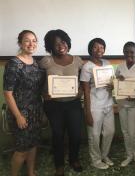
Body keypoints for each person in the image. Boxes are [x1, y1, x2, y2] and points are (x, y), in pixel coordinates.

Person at [39, 29, 84, 176]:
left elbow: (84, 82)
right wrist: (44, 94)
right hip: (54, 105)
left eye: (63, 42)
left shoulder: (78, 61)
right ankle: (59, 165)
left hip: (73, 104)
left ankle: (73, 159)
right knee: (57, 135)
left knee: (76, 134)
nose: (60, 45)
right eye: (55, 43)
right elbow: (38, 84)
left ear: (68, 43)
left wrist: (81, 92)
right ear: (50, 46)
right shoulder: (46, 62)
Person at [3, 30, 44, 176]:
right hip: (20, 113)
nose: (31, 44)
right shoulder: (14, 63)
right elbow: (7, 94)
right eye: (27, 40)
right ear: (20, 43)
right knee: (21, 150)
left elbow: (39, 90)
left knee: (33, 145)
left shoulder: (36, 64)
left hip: (36, 111)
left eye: (34, 40)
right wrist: (18, 116)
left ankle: (30, 172)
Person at [80, 38, 115, 170]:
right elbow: (86, 90)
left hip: (108, 104)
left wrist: (113, 86)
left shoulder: (107, 63)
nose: (99, 50)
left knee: (109, 132)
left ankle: (104, 155)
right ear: (90, 49)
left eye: (101, 47)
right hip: (94, 106)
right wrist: (87, 111)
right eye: (95, 47)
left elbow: (112, 83)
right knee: (94, 135)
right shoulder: (87, 67)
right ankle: (95, 160)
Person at [115, 42, 135, 170]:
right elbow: (116, 81)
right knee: (125, 132)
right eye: (126, 51)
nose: (129, 54)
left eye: (132, 52)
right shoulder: (120, 66)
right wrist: (118, 79)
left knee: (134, 133)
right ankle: (129, 156)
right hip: (122, 103)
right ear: (123, 52)